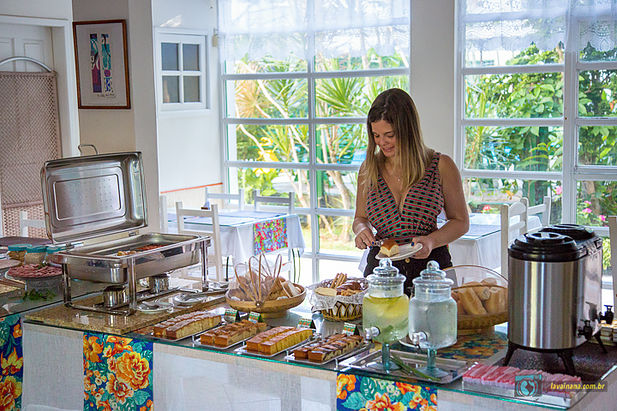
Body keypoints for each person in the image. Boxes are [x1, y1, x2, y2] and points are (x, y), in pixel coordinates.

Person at [353, 88, 469, 293]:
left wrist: (432, 241)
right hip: (382, 272)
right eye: (376, 135)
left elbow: (461, 222)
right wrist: (362, 230)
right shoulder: (368, 169)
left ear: (408, 130)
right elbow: (360, 218)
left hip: (432, 270)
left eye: (390, 135)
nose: (382, 143)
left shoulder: (440, 165)